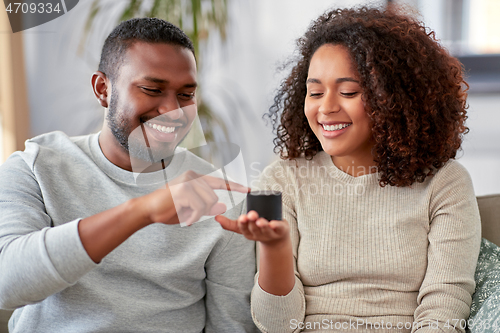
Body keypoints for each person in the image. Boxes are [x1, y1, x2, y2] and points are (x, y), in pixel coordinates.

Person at [217, 6, 481, 333]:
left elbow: (445, 308)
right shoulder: (280, 179)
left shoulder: (445, 182)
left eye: (348, 92)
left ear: (394, 98)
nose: (326, 107)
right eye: (314, 92)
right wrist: (275, 249)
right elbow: (277, 325)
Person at [0, 18, 257, 333]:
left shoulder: (219, 196)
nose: (172, 111)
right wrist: (143, 211)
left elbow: (232, 325)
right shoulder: (35, 168)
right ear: (102, 89)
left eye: (186, 95)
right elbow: (6, 283)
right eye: (152, 89)